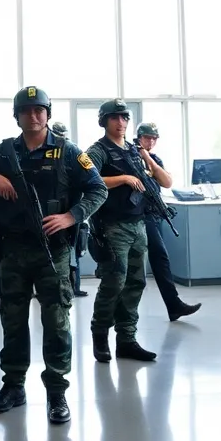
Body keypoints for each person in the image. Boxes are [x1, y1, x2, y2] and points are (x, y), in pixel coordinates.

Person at [0, 86, 106, 424]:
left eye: (40, 110)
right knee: (12, 321)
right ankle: (14, 386)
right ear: (17, 116)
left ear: (48, 113)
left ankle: (56, 392)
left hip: (52, 252)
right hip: (13, 250)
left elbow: (97, 188)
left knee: (56, 322)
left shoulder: (68, 151)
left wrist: (72, 216)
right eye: (27, 110)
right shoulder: (2, 152)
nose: (34, 115)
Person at [84, 100, 158, 363]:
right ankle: (100, 332)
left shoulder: (132, 150)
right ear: (104, 121)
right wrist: (123, 179)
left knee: (136, 282)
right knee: (114, 282)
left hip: (137, 224)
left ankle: (126, 338)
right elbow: (88, 179)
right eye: (114, 118)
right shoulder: (97, 150)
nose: (121, 122)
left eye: (124, 118)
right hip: (112, 226)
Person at [135, 122, 200, 321]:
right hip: (137, 215)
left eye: (154, 138)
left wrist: (148, 158)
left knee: (160, 260)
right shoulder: (129, 155)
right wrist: (141, 156)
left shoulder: (153, 158)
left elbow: (167, 182)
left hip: (153, 215)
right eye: (147, 137)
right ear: (139, 137)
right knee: (147, 263)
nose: (151, 141)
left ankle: (173, 305)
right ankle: (172, 305)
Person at [50, 121, 89, 298]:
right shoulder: (47, 153)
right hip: (54, 216)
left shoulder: (73, 152)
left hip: (74, 214)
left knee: (77, 251)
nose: (61, 138)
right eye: (59, 135)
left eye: (63, 134)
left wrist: (77, 215)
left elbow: (93, 186)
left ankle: (75, 287)